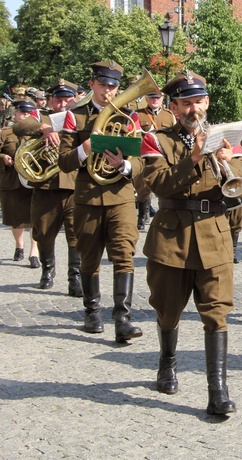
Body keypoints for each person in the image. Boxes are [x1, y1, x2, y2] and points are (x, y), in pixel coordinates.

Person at [141, 70, 242, 415]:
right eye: (186, 103)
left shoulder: (226, 137)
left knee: (217, 314)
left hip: (214, 235)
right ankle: (167, 360)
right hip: (172, 237)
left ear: (207, 102)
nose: (194, 109)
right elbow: (158, 184)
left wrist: (232, 166)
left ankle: (218, 390)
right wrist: (195, 158)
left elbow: (241, 186)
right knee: (167, 309)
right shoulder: (156, 140)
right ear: (174, 106)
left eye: (199, 101)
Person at [58, 60, 144, 343]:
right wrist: (85, 147)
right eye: (104, 84)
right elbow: (64, 162)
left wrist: (125, 166)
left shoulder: (130, 117)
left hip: (120, 197)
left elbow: (141, 160)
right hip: (88, 198)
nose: (109, 90)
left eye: (114, 86)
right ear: (93, 84)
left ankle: (123, 319)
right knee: (89, 257)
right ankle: (91, 311)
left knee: (124, 256)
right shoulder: (75, 116)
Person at [12, 79, 81, 294]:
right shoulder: (40, 116)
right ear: (50, 101)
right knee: (43, 232)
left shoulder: (79, 117)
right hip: (45, 186)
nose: (62, 104)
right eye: (58, 100)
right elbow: (19, 126)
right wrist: (44, 128)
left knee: (75, 233)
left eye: (67, 100)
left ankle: (75, 278)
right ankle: (48, 270)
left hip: (73, 184)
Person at [0, 99, 40, 268]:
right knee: (16, 218)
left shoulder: (38, 133)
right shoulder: (5, 132)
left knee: (36, 218)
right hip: (12, 181)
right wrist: (3, 157)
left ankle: (34, 252)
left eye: (29, 113)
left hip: (33, 179)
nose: (25, 116)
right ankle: (19, 245)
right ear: (15, 114)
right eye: (22, 113)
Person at [135, 91, 177, 230]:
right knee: (142, 187)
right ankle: (142, 216)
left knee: (164, 186)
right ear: (146, 98)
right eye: (152, 97)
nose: (155, 100)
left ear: (162, 98)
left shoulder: (169, 115)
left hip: (164, 156)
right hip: (145, 156)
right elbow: (135, 135)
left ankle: (162, 216)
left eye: (157, 97)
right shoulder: (138, 114)